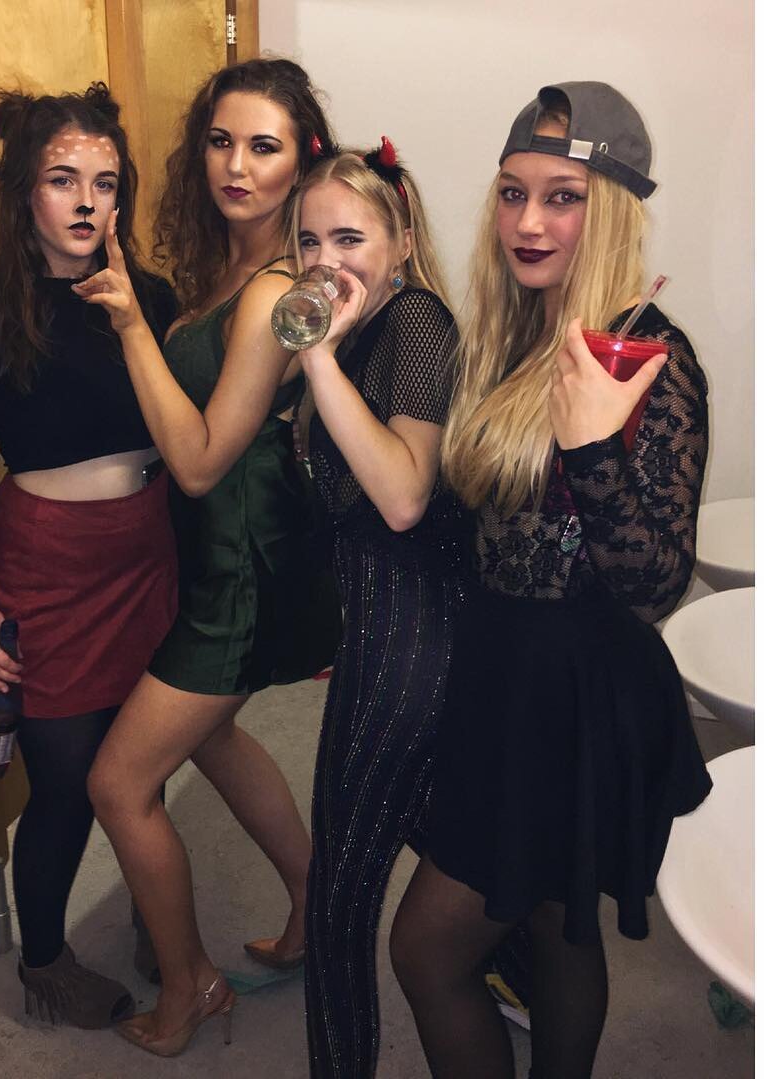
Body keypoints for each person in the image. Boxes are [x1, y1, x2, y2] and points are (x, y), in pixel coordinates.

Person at [389, 82, 713, 1079]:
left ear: (608, 210)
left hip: (576, 692)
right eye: (513, 193)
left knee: (427, 950)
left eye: (563, 197)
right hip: (505, 672)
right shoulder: (514, 330)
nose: (529, 222)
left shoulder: (649, 355)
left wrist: (594, 446)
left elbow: (655, 583)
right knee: (554, 920)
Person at [76, 58, 341, 1057]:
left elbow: (196, 461)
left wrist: (131, 324)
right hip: (217, 559)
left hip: (238, 570)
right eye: (221, 141)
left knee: (118, 782)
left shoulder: (273, 290)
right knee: (215, 737)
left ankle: (189, 985)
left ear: (301, 161)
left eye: (263, 146)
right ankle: (318, 896)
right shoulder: (234, 265)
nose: (236, 165)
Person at [0, 83, 179, 1028]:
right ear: (22, 191)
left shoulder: (149, 296)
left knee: (145, 761)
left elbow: (186, 437)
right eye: (62, 179)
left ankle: (158, 910)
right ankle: (44, 960)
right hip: (47, 566)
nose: (86, 202)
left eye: (105, 183)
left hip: (147, 553)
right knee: (68, 780)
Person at [284, 141, 463, 1078]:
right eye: (309, 241)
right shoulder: (353, 330)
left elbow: (401, 497)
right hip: (389, 633)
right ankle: (509, 970)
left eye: (349, 238)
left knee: (339, 897)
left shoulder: (417, 320)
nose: (327, 260)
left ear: (401, 241)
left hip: (408, 645)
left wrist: (316, 361)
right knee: (440, 833)